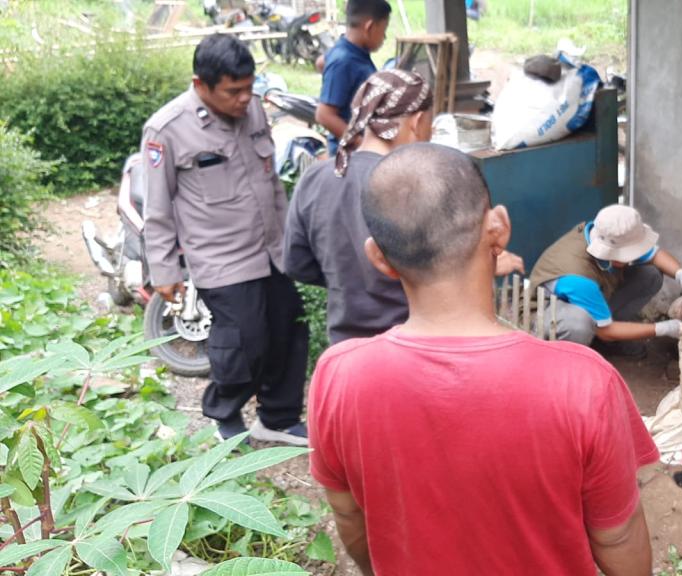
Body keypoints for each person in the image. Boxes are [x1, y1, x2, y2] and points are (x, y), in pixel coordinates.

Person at [308, 143, 657, 575]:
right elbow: (617, 537)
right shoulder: (585, 383)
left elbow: (349, 517)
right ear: (499, 228)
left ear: (379, 257)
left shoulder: (339, 377)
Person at [142, 34, 308, 445]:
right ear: (200, 85)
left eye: (249, 87)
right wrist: (164, 270)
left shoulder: (254, 110)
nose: (244, 99)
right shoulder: (167, 129)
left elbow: (271, 184)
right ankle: (224, 413)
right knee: (243, 340)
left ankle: (278, 417)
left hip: (271, 249)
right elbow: (157, 208)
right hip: (221, 257)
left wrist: (292, 241)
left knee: (288, 326)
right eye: (233, 91)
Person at [284, 69, 523, 344]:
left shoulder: (315, 178)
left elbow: (297, 264)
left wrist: (347, 280)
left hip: (347, 345)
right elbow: (444, 265)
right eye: (430, 124)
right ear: (417, 121)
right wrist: (484, 263)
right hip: (416, 345)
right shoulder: (421, 185)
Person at [529, 204, 682, 349]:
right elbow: (605, 331)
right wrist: (663, 328)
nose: (635, 255)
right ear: (613, 253)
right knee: (579, 323)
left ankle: (610, 340)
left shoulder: (605, 233)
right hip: (546, 314)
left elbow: (654, 255)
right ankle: (573, 360)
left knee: (650, 275)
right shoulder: (579, 278)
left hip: (587, 298)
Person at [315, 0, 391, 156]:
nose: (384, 37)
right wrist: (360, 143)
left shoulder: (349, 50)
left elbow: (320, 62)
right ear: (370, 27)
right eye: (383, 30)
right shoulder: (344, 61)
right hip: (350, 156)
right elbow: (324, 115)